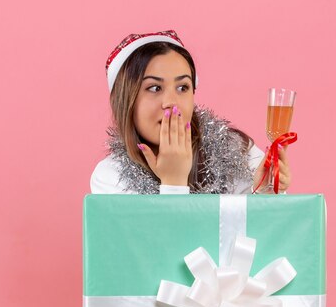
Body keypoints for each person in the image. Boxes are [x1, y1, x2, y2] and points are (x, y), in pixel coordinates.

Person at [90, 30, 291, 194]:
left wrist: (264, 194)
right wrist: (174, 182)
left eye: (182, 88)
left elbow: (264, 234)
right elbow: (151, 244)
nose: (171, 103)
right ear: (124, 101)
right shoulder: (110, 177)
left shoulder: (236, 152)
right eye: (154, 88)